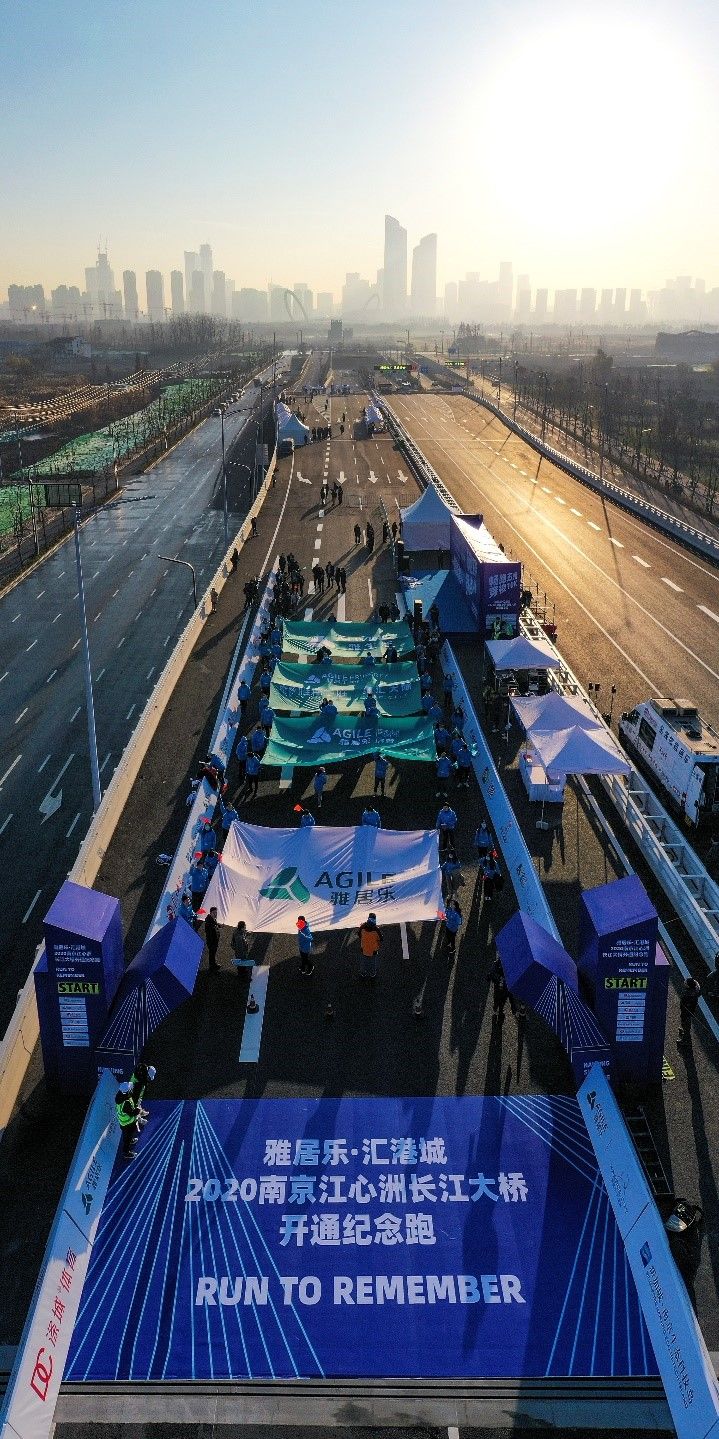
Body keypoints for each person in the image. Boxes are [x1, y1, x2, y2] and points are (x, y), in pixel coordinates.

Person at [115, 1081, 141, 1159]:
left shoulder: (119, 1096)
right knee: (127, 1138)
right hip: (128, 1124)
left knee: (127, 1136)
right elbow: (132, 1113)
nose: (131, 1090)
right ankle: (126, 1153)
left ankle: (130, 1140)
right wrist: (138, 1110)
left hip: (123, 1123)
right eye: (130, 1089)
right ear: (127, 1092)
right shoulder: (126, 1103)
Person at [358, 911, 382, 979]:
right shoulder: (376, 930)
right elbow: (381, 938)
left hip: (364, 949)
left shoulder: (362, 927)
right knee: (373, 963)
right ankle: (372, 973)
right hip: (373, 951)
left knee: (363, 962)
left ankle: (363, 973)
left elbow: (359, 935)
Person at [677, 977, 701, 1044]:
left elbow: (683, 1004)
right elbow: (696, 983)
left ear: (688, 986)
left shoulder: (688, 995)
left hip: (686, 1012)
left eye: (685, 983)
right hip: (690, 1011)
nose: (684, 982)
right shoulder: (696, 989)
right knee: (684, 1022)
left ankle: (685, 1041)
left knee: (686, 1024)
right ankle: (684, 1030)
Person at [489, 957, 509, 1022]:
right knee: (501, 1001)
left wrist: (498, 979)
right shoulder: (510, 964)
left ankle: (496, 1011)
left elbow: (492, 973)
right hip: (505, 988)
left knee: (497, 999)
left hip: (498, 987)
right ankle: (500, 1012)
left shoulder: (497, 963)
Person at [204, 907, 221, 972]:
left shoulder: (212, 919)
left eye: (216, 912)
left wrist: (219, 926)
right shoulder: (209, 922)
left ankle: (214, 964)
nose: (215, 914)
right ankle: (212, 968)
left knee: (213, 954)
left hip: (214, 941)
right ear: (211, 913)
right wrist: (212, 943)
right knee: (212, 954)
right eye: (214, 913)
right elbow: (210, 932)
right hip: (212, 942)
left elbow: (215, 924)